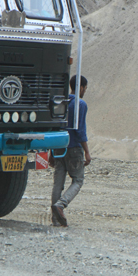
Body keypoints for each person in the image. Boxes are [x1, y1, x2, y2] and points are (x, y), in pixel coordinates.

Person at [51, 75, 91, 226]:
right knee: (78, 180)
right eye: (85, 89)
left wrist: (51, 151)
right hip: (74, 148)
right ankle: (61, 205)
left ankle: (55, 220)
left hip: (59, 147)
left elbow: (55, 127)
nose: (84, 91)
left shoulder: (61, 102)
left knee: (58, 183)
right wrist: (87, 152)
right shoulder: (81, 104)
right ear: (81, 87)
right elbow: (80, 131)